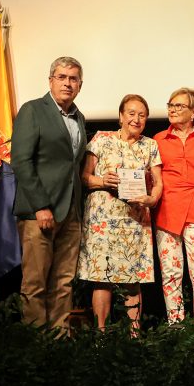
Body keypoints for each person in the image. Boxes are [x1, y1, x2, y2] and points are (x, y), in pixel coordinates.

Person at [12, 56, 87, 328]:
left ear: (80, 84)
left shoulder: (78, 117)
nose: (68, 83)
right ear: (51, 81)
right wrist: (41, 206)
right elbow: (21, 161)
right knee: (35, 283)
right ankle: (36, 349)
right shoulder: (33, 110)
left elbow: (72, 165)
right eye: (62, 77)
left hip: (70, 212)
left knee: (64, 283)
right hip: (39, 211)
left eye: (73, 78)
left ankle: (58, 345)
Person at [77, 94, 162, 331]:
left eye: (142, 115)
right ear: (121, 116)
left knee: (132, 282)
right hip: (102, 220)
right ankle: (101, 337)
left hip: (134, 221)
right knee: (101, 281)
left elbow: (158, 183)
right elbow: (84, 178)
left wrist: (151, 199)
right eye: (131, 113)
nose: (136, 119)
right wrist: (103, 181)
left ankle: (134, 336)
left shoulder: (150, 145)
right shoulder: (101, 139)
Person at [153, 88, 194, 325]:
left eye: (179, 106)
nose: (172, 109)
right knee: (171, 275)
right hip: (167, 213)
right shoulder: (158, 139)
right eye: (170, 104)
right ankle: (176, 330)